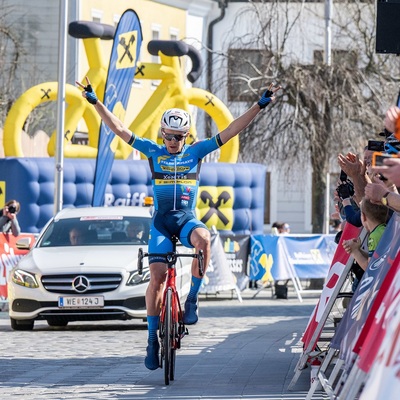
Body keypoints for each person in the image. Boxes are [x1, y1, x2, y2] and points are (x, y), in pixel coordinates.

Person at [78, 76, 282, 370]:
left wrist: (258, 106)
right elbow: (119, 129)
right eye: (168, 136)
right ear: (161, 134)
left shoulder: (196, 151)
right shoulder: (153, 150)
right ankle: (151, 340)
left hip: (186, 219)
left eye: (178, 137)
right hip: (161, 223)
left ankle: (193, 301)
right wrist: (94, 101)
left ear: (187, 136)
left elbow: (232, 129)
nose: (172, 142)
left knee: (205, 239)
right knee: (157, 281)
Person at [342, 197, 388, 276]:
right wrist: (358, 250)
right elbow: (375, 258)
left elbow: (370, 268)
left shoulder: (375, 236)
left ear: (363, 216)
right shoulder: (382, 229)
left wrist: (354, 251)